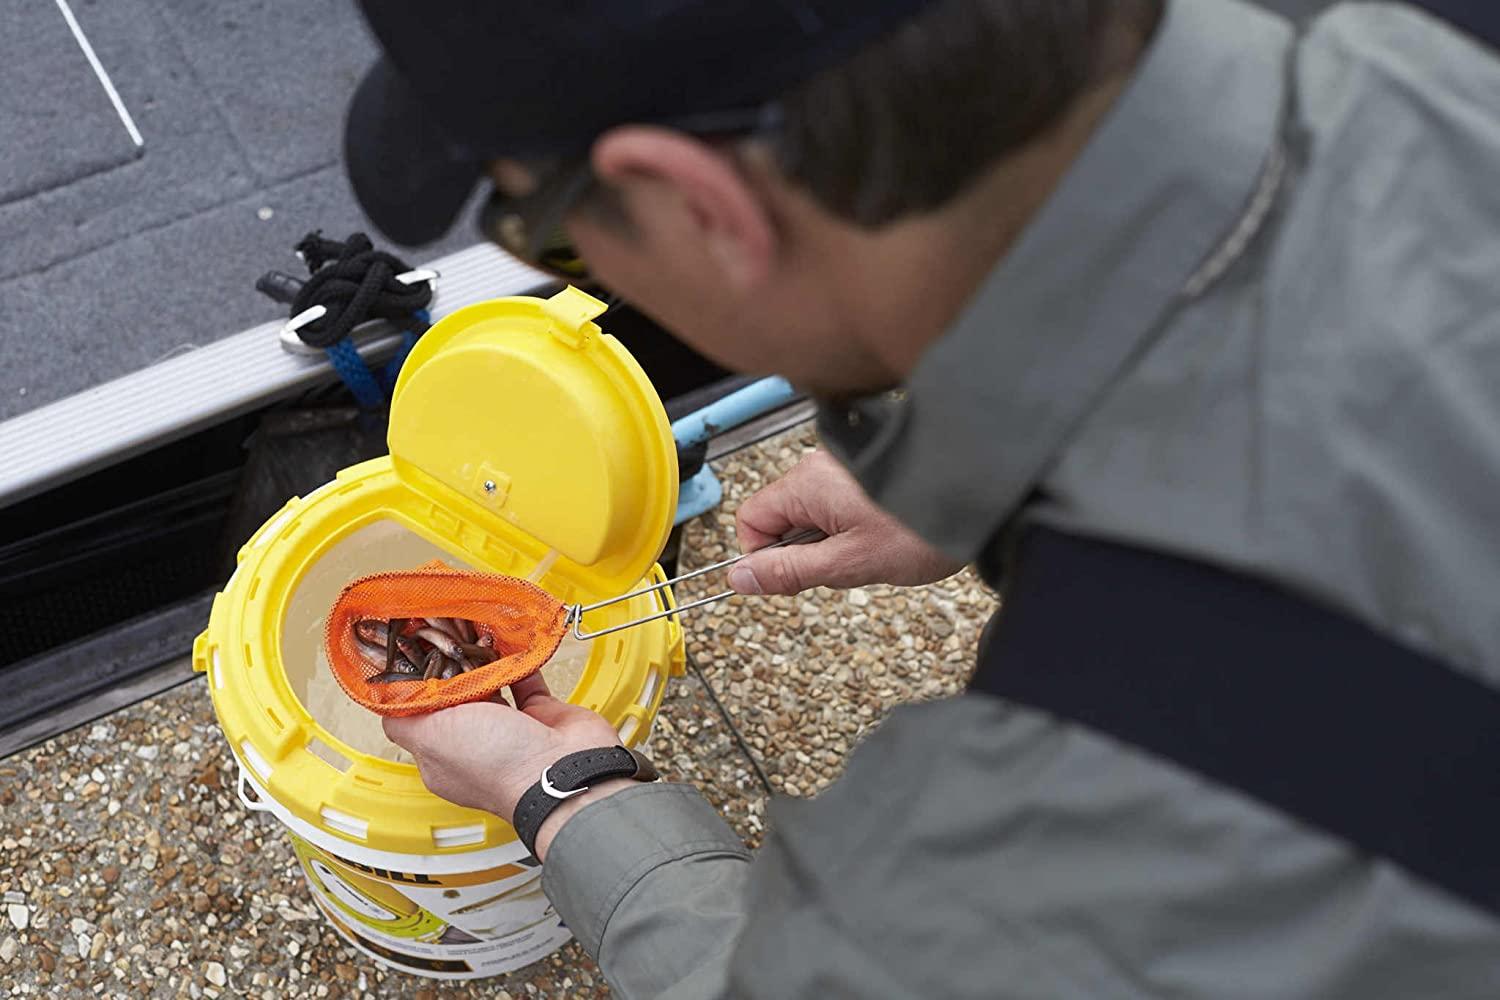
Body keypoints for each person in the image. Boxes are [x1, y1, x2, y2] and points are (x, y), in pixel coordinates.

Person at [344, 1, 1500, 995]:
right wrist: (976, 455)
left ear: (701, 206)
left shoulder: (1093, 824)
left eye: (542, 231)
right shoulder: (1421, 41)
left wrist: (559, 793)